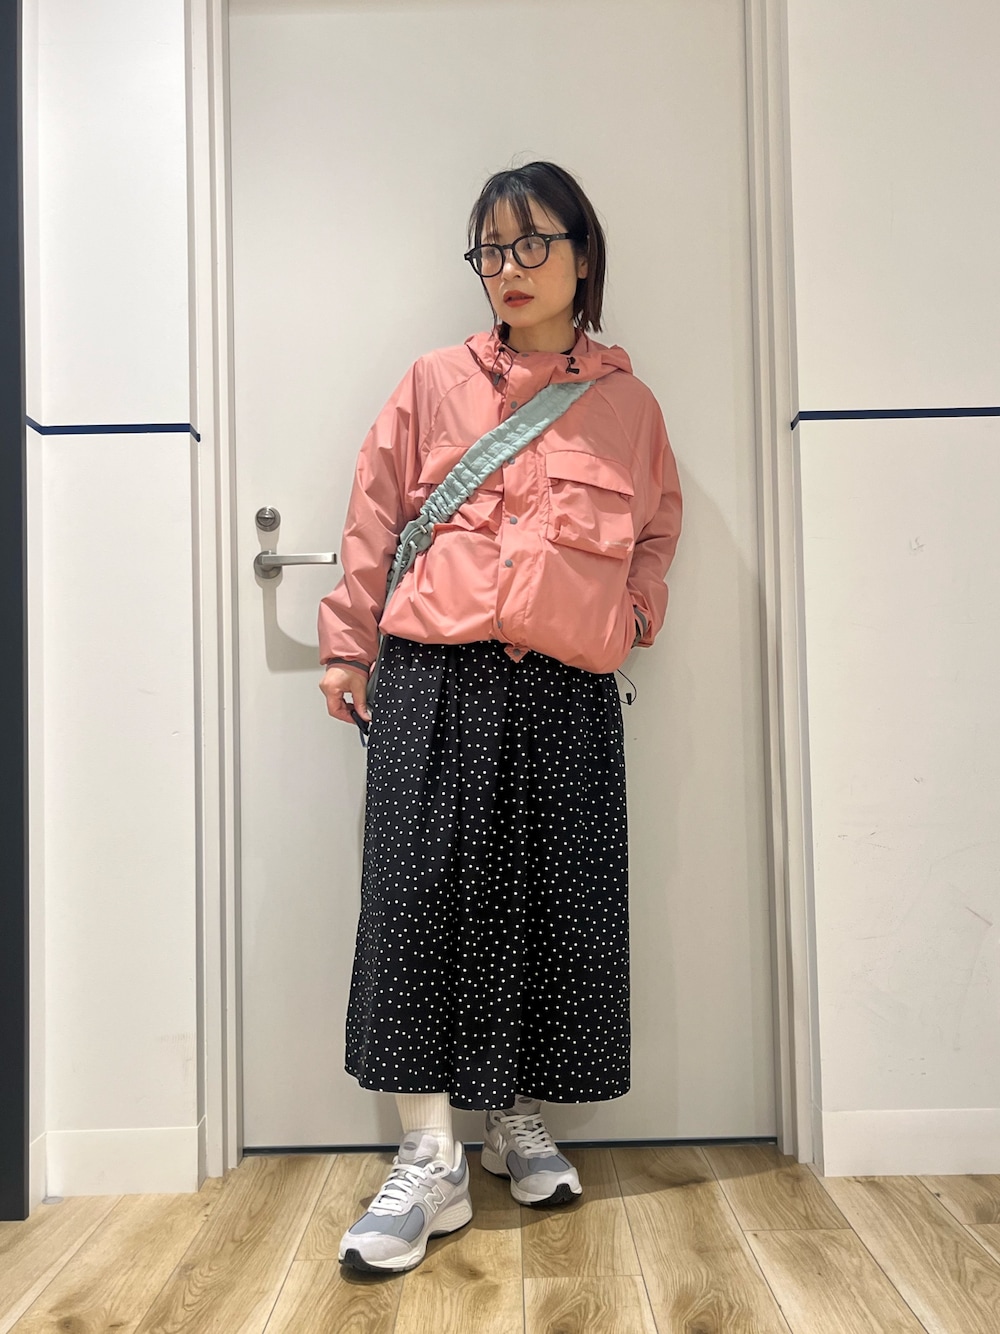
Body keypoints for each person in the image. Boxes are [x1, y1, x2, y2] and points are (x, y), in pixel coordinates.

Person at [318, 161, 683, 1274]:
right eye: (490, 248)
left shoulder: (627, 406)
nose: (508, 268)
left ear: (582, 253)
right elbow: (372, 515)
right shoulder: (433, 381)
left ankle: (512, 1115)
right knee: (417, 906)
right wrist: (347, 644)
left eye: (532, 243)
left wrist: (631, 615)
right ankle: (427, 1155)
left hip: (565, 688)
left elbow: (656, 531)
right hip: (436, 676)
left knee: (548, 900)